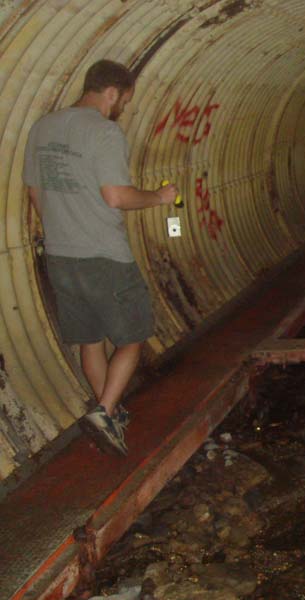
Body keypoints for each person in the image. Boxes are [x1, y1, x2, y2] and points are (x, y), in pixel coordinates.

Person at [23, 60, 178, 456]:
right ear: (112, 92)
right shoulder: (104, 132)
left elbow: (35, 195)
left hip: (61, 255)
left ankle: (108, 409)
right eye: (124, 100)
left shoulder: (42, 128)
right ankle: (104, 411)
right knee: (134, 335)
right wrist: (159, 197)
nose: (122, 107)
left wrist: (64, 226)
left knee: (90, 339)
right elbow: (117, 196)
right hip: (104, 256)